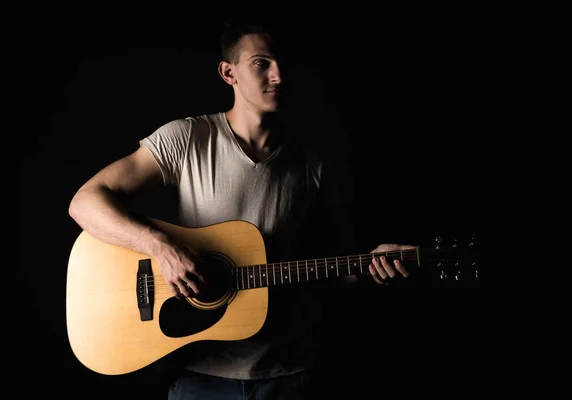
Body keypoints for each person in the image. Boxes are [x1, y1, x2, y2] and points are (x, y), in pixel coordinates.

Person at [68, 17, 415, 399]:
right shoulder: (187, 139)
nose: (278, 76)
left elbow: (323, 267)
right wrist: (160, 247)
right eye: (261, 63)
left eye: (282, 63)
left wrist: (367, 266)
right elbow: (85, 202)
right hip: (201, 372)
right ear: (228, 72)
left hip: (286, 373)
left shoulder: (313, 165)